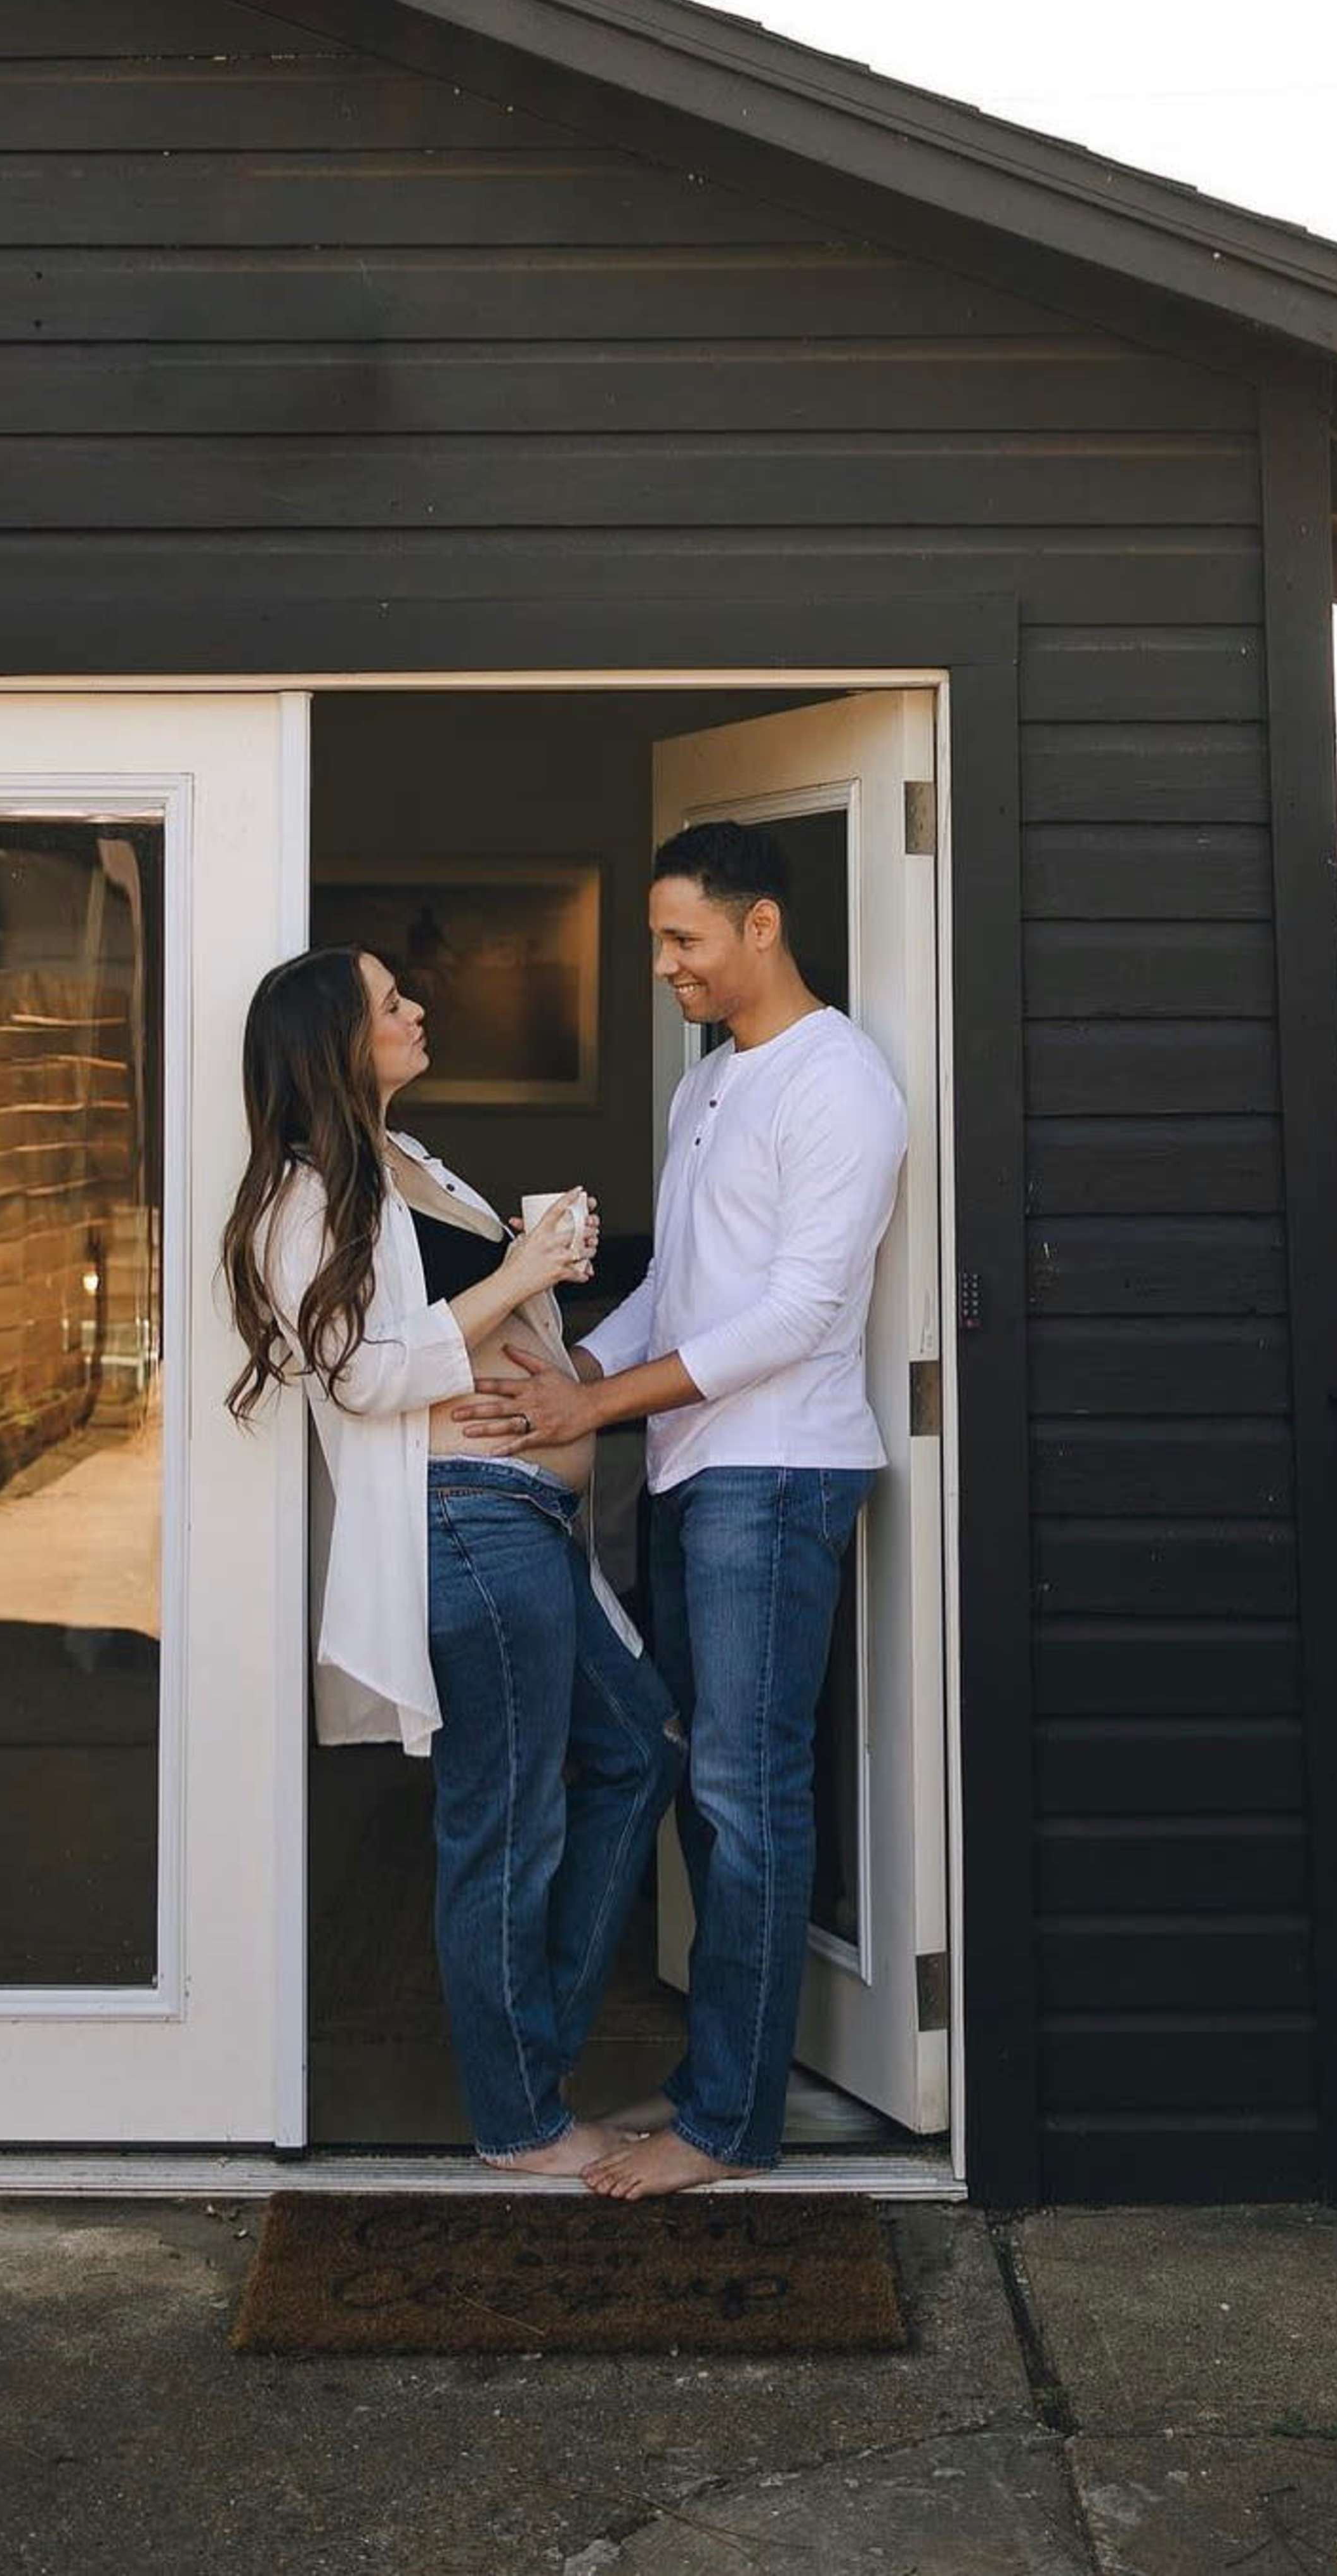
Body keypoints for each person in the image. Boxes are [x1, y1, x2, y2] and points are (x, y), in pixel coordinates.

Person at [451, 822, 907, 2196]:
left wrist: (595, 1410)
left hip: (776, 1475)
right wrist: (578, 1364)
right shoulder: (708, 1085)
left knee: (745, 1796)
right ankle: (723, 2080)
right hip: (694, 1470)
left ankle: (725, 2127)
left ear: (760, 927)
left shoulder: (842, 1085)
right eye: (660, 941)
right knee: (708, 1794)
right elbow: (687, 1287)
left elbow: (797, 1315)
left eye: (681, 940)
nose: (663, 966)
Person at [219, 945, 681, 2176]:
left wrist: (542, 1277)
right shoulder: (307, 1192)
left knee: (633, 1754)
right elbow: (365, 1371)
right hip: (465, 1529)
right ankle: (522, 2118)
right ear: (335, 1042)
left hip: (521, 1521)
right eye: (389, 1003)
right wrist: (521, 1274)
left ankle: (534, 2061)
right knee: (506, 1827)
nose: (418, 1009)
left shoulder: (407, 1163)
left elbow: (462, 1328)